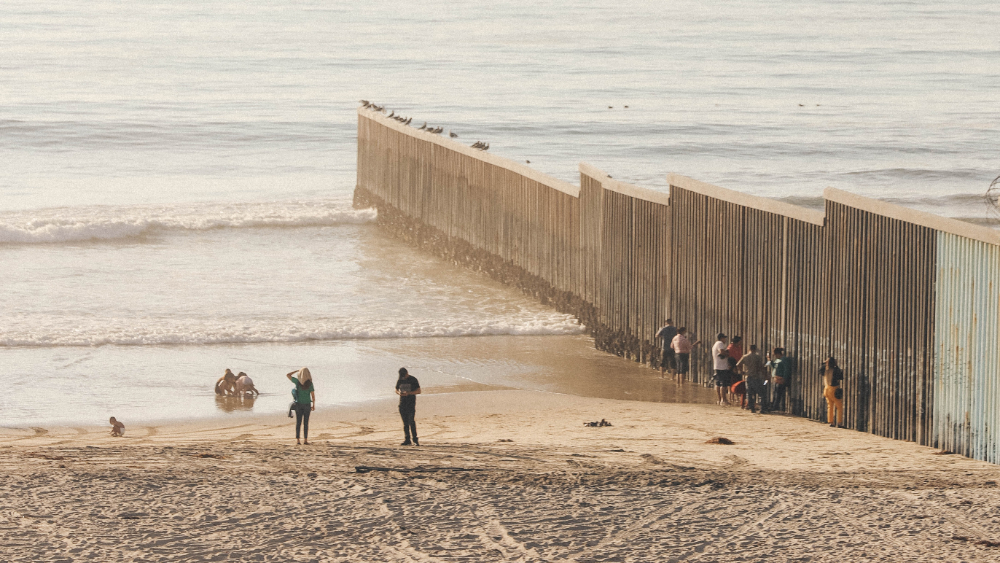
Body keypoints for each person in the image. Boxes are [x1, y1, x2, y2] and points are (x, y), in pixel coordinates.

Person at [286, 368, 315, 445]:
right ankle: (305, 440)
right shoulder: (310, 384)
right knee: (306, 423)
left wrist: (296, 371)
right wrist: (313, 405)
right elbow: (313, 396)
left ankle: (298, 440)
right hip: (307, 405)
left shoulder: (297, 382)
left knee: (298, 422)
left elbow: (288, 375)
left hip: (298, 405)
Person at [736, 345, 768, 413]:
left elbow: (738, 364)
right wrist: (765, 376)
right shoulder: (757, 357)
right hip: (756, 377)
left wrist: (741, 372)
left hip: (748, 377)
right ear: (755, 349)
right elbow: (761, 367)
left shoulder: (745, 356)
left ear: (749, 349)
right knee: (761, 393)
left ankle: (752, 408)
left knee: (749, 393)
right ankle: (762, 408)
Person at [395, 367, 421, 446]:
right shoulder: (400, 380)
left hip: (411, 403)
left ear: (407, 373)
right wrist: (399, 392)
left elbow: (419, 391)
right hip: (402, 404)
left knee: (411, 421)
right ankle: (407, 439)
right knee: (405, 423)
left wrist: (409, 393)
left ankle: (415, 440)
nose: (403, 377)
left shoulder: (413, 379)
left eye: (404, 375)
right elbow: (396, 389)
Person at [821, 356, 845, 428]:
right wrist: (836, 365)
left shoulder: (825, 369)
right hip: (833, 389)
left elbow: (820, 368)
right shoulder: (835, 370)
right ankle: (839, 422)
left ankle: (831, 422)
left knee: (830, 406)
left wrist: (824, 362)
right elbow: (841, 377)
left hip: (826, 389)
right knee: (839, 406)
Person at [766, 348, 792, 412]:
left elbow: (787, 369)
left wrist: (784, 378)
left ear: (778, 354)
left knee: (778, 393)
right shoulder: (778, 360)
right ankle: (774, 406)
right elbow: (774, 366)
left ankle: (775, 407)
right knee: (775, 393)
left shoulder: (784, 360)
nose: (775, 356)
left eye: (775, 354)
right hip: (777, 378)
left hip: (781, 379)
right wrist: (769, 360)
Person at [711, 333, 731, 405]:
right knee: (724, 384)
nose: (725, 339)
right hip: (722, 367)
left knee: (718, 383)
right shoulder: (720, 343)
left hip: (717, 366)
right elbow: (721, 352)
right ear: (721, 338)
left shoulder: (715, 344)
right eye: (724, 338)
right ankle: (724, 400)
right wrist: (727, 354)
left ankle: (719, 400)